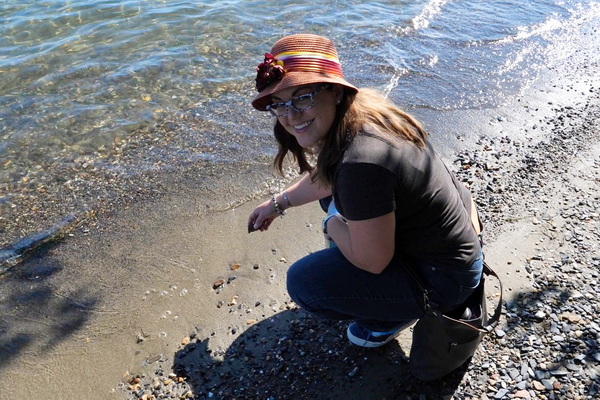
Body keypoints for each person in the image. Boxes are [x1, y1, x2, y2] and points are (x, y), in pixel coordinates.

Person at [247, 33, 483, 348]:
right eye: (279, 105)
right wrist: (278, 204)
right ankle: (384, 295)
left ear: (335, 92)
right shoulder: (366, 114)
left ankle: (386, 319)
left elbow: (373, 261)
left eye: (303, 98)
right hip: (455, 248)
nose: (290, 116)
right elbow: (328, 175)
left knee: (305, 283)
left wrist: (332, 222)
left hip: (443, 280)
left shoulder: (362, 164)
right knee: (334, 199)